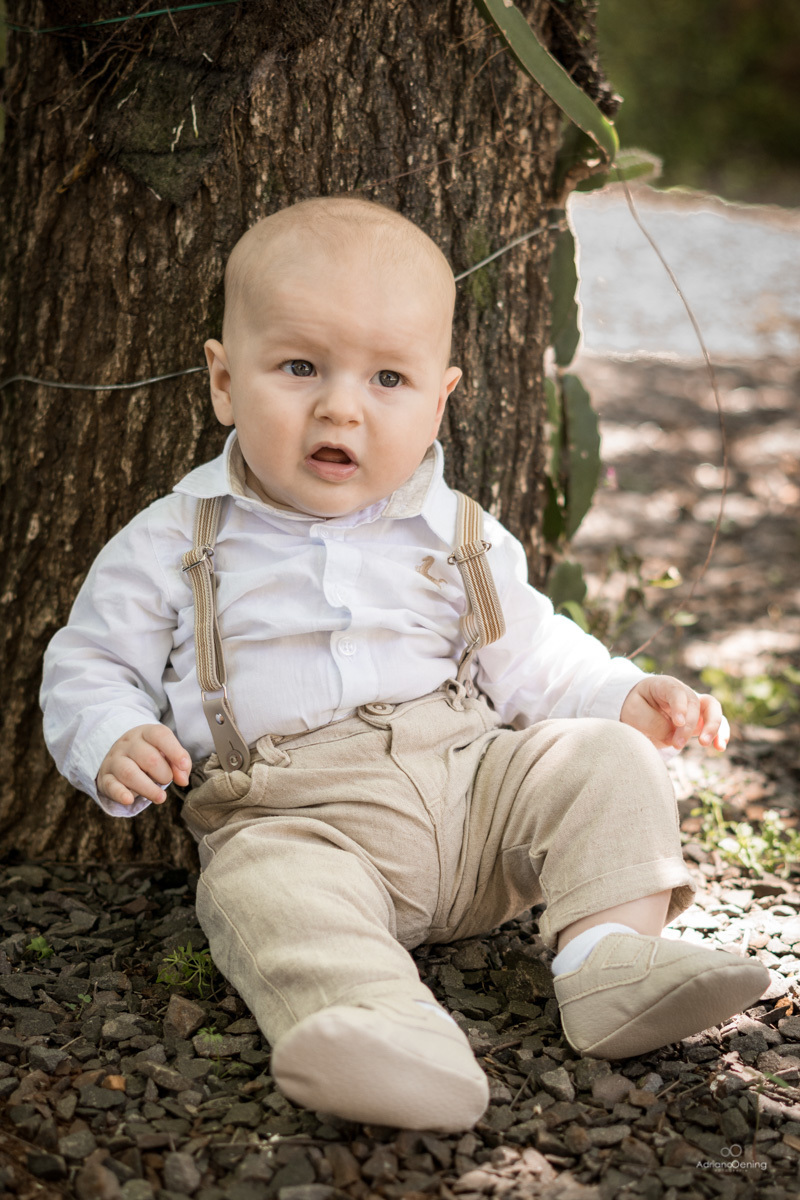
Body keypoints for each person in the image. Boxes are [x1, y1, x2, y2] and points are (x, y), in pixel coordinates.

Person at [41, 196, 769, 1134]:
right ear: (224, 381)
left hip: (472, 797)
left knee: (602, 760)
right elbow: (90, 660)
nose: (340, 404)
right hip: (302, 820)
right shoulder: (175, 540)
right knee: (258, 888)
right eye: (300, 366)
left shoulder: (458, 534)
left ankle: (608, 962)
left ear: (439, 401)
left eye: (388, 378)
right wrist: (112, 731)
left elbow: (536, 653)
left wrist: (623, 693)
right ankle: (378, 1029)